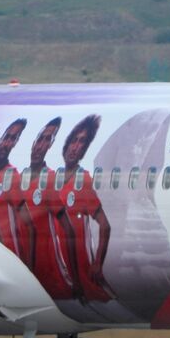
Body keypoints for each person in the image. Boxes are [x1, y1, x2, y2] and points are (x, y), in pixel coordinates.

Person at [52, 114, 114, 302]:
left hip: (79, 270)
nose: (75, 147)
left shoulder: (83, 180)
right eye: (74, 140)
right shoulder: (53, 179)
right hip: (61, 270)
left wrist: (97, 264)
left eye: (82, 143)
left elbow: (105, 225)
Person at [19, 118, 73, 299]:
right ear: (33, 142)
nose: (41, 146)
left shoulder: (48, 179)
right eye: (40, 139)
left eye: (47, 141)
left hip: (48, 270)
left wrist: (73, 271)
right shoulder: (19, 179)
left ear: (50, 146)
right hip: (23, 267)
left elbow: (68, 228)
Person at [0, 118, 27, 252]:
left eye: (12, 139)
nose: (7, 143)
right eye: (6, 137)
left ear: (14, 144)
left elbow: (27, 222)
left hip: (9, 254)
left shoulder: (12, 175)